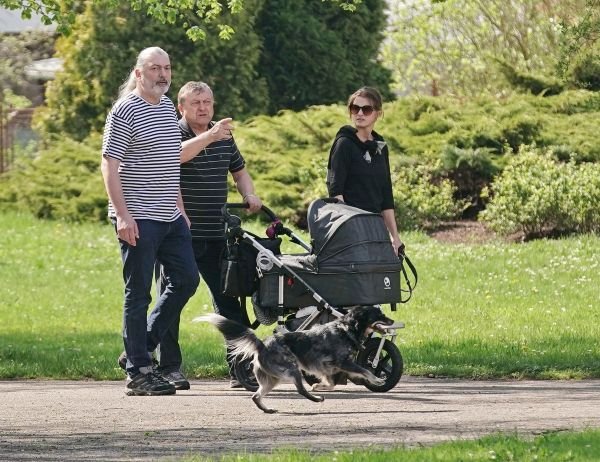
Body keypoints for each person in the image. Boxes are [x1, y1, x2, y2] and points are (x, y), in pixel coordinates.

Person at [101, 47, 200, 396]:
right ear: (139, 72)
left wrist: (181, 210)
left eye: (167, 68)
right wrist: (122, 215)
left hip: (170, 217)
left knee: (187, 280)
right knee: (138, 292)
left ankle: (138, 348)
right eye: (155, 68)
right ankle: (139, 372)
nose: (162, 74)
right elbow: (109, 166)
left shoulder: (165, 108)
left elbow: (170, 160)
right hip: (139, 217)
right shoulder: (126, 109)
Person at [153, 81, 262, 389]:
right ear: (181, 107)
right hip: (178, 234)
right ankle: (168, 367)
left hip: (217, 234)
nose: (203, 108)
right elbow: (174, 158)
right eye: (196, 103)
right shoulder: (173, 132)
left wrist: (250, 193)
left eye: (208, 103)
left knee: (230, 301)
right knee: (172, 299)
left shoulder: (223, 136)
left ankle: (242, 369)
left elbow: (239, 171)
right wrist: (209, 136)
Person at [326, 86, 404, 256]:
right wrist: (352, 229)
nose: (359, 113)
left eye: (366, 109)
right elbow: (336, 192)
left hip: (375, 228)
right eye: (355, 108)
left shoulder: (380, 146)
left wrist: (395, 237)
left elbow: (386, 195)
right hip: (351, 230)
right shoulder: (344, 144)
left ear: (378, 113)